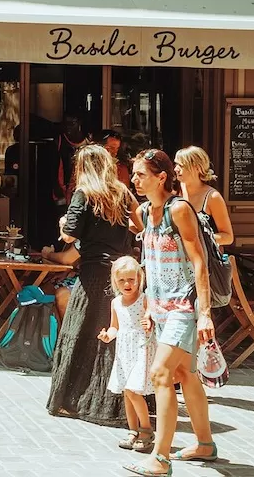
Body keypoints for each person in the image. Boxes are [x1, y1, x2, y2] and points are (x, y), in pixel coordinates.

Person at [126, 150, 216, 476]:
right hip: (161, 309)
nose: (134, 180)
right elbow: (149, 261)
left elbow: (198, 261)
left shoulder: (178, 210)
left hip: (184, 307)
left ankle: (160, 459)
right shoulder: (143, 211)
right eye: (134, 174)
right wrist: (148, 304)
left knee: (161, 373)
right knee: (185, 375)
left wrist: (204, 313)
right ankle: (204, 443)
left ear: (161, 177)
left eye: (140, 175)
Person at [47, 145, 142, 428]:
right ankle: (116, 404)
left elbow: (68, 236)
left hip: (90, 276)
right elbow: (140, 225)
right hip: (119, 275)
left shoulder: (84, 194)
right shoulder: (122, 192)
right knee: (115, 338)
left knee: (81, 333)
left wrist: (65, 222)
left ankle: (77, 399)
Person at [98, 256, 155, 455]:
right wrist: (108, 336)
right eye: (122, 280)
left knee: (133, 390)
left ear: (140, 278)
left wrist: (149, 324)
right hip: (124, 351)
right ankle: (133, 430)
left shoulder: (145, 299)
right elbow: (115, 326)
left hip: (141, 347)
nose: (127, 284)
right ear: (115, 281)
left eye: (131, 279)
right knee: (126, 393)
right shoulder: (115, 303)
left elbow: (150, 321)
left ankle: (146, 430)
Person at [175, 146, 233, 249]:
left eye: (181, 165)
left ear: (197, 167)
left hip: (204, 260)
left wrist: (200, 239)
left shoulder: (212, 197)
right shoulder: (174, 194)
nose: (176, 169)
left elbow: (228, 237)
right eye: (176, 164)